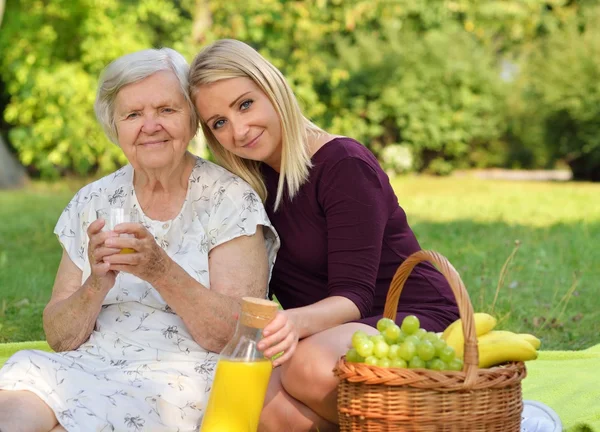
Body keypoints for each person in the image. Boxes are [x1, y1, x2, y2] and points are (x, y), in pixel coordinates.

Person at [0, 47, 279, 432]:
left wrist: (160, 270)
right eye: (133, 114)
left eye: (166, 110)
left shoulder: (229, 200)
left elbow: (233, 335)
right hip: (89, 363)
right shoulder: (93, 201)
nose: (150, 125)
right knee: (14, 398)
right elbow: (60, 338)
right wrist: (97, 282)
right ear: (115, 128)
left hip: (178, 376)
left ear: (192, 120)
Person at [189, 39, 460, 432]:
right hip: (329, 333)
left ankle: (459, 419)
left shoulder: (343, 165)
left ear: (273, 88)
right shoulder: (248, 187)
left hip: (404, 316)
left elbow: (355, 297)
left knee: (305, 368)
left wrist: (294, 324)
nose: (239, 129)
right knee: (257, 405)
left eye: (245, 104)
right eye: (219, 123)